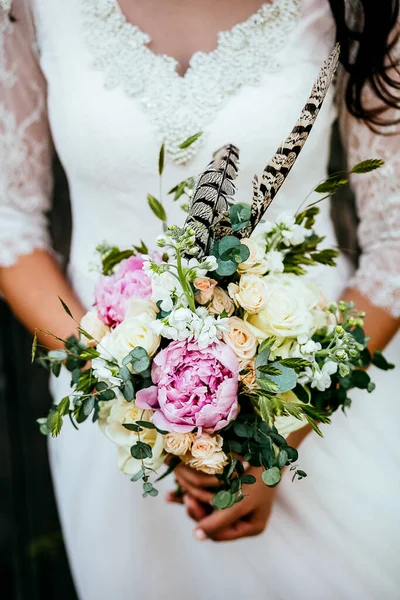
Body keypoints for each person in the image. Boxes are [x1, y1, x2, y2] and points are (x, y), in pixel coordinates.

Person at [0, 1, 399, 598]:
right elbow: (9, 219)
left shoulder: (363, 5)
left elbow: (394, 239)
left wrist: (273, 439)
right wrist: (138, 402)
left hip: (322, 418)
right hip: (118, 443)